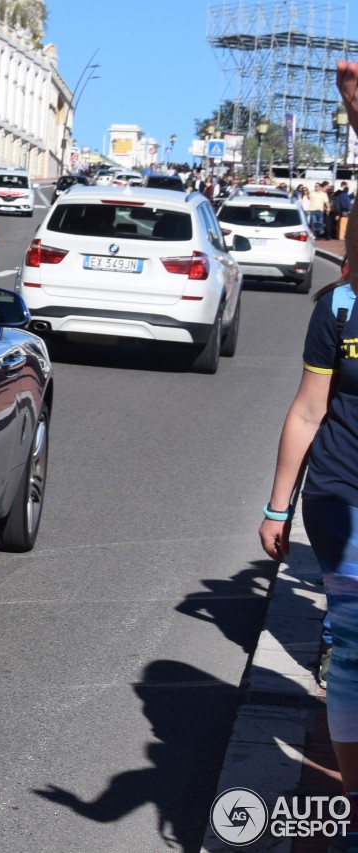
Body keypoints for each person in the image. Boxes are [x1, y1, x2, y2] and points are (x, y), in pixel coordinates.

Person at [259, 57, 358, 853]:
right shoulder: (338, 309)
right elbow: (307, 408)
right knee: (355, 644)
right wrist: (276, 504)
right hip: (342, 496)